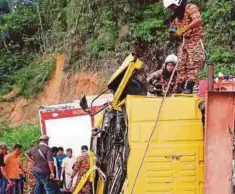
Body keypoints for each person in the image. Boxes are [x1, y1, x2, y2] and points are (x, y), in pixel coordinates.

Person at [164, 0, 205, 93]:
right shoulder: (176, 16)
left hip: (194, 40)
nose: (172, 8)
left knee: (193, 63)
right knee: (181, 64)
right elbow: (174, 30)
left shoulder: (190, 7)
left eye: (172, 6)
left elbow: (198, 20)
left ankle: (190, 86)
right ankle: (180, 85)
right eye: (170, 7)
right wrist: (174, 33)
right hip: (184, 42)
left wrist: (185, 29)